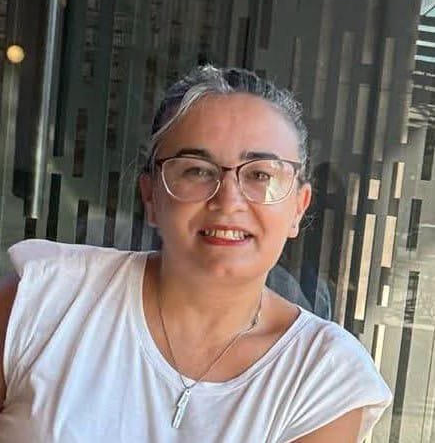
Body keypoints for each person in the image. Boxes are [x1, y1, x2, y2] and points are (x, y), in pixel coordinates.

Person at [0, 65, 391, 442]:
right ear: (151, 196)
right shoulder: (45, 300)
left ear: (298, 208)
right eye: (198, 170)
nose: (228, 200)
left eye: (260, 174)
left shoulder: (322, 373)